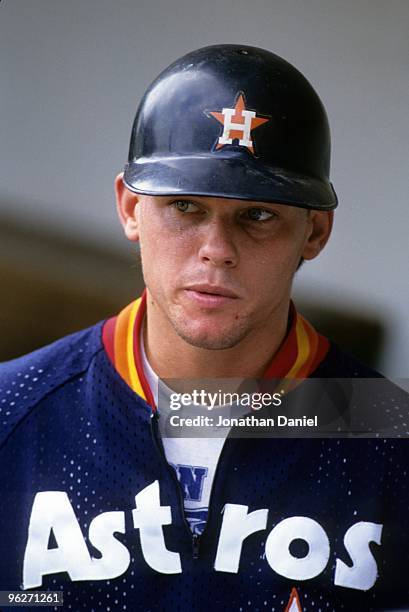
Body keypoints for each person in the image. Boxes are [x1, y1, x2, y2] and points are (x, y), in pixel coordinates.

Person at [0, 44, 408, 612]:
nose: (216, 251)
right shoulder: (11, 414)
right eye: (185, 207)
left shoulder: (392, 443)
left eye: (258, 215)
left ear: (315, 232)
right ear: (128, 207)